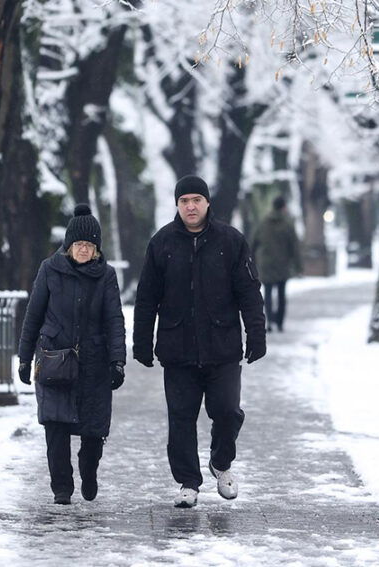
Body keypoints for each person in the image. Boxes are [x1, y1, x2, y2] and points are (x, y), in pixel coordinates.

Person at [133, 175, 266, 509]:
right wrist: (141, 342)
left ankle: (221, 464)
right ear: (177, 205)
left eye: (196, 200)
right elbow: (147, 297)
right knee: (181, 418)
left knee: (226, 411)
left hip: (222, 346)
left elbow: (249, 292)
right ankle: (188, 482)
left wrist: (257, 333)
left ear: (207, 203)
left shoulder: (231, 241)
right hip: (177, 349)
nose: (190, 206)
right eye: (183, 201)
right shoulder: (161, 243)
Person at [17, 204, 126, 505]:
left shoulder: (106, 276)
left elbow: (114, 319)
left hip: (94, 365)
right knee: (55, 426)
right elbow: (33, 315)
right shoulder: (49, 269)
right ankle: (61, 488)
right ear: (68, 245)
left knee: (93, 432)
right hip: (55, 361)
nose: (83, 250)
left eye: (89, 245)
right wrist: (25, 357)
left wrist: (118, 361)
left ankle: (88, 471)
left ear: (97, 249)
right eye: (79, 244)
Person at [252, 195, 302, 332]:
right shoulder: (287, 224)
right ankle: (279, 322)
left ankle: (269, 321)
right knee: (281, 294)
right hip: (282, 264)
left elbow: (253, 242)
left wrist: (252, 260)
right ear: (284, 207)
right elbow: (294, 246)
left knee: (267, 293)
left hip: (266, 264)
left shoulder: (263, 222)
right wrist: (298, 266)